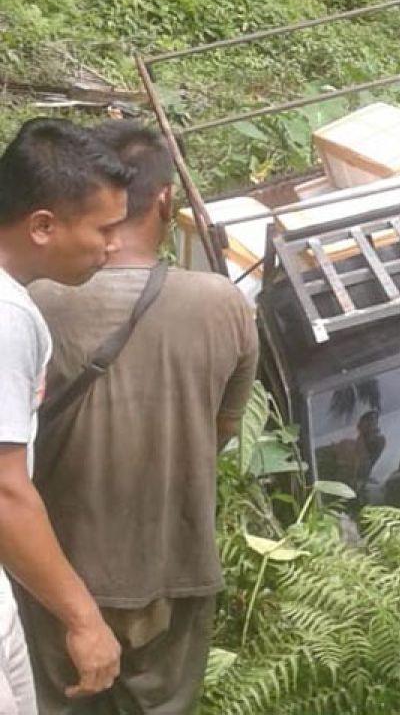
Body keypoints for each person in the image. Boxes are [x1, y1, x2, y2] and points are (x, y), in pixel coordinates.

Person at [20, 120, 259, 714]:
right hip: (174, 572)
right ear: (164, 200)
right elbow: (223, 431)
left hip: (54, 575)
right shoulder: (223, 305)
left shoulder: (34, 300)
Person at [0, 118, 128, 713]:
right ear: (43, 226)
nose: (115, 246)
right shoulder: (6, 316)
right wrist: (84, 619)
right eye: (104, 229)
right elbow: (4, 490)